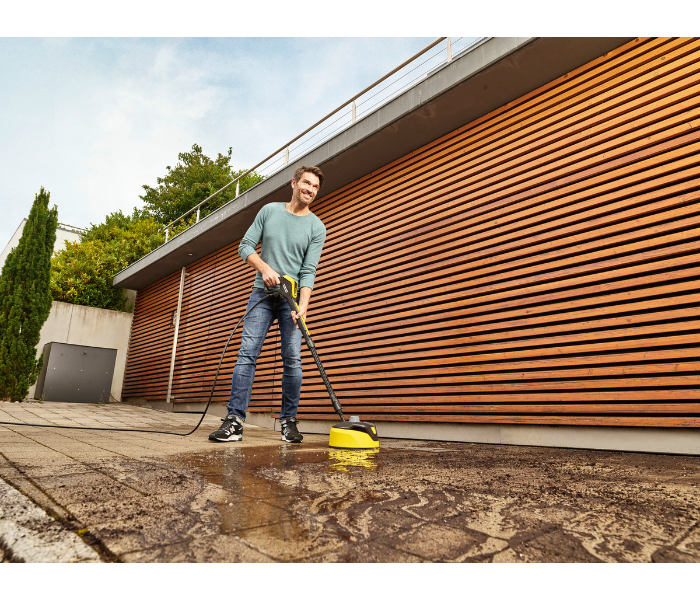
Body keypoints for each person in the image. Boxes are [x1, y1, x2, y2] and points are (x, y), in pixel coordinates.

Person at [209, 165, 326, 443]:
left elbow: (309, 271)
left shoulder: (316, 227)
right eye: (306, 183)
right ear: (294, 183)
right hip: (261, 295)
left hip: (291, 300)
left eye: (315, 187)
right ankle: (235, 421)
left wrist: (303, 306)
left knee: (293, 360)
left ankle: (289, 422)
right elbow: (245, 246)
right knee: (247, 354)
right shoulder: (269, 211)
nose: (310, 190)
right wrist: (263, 268)